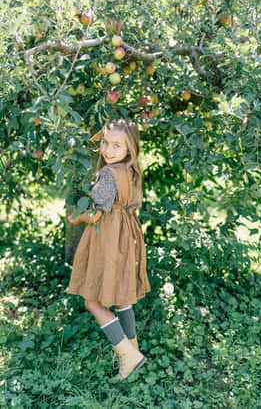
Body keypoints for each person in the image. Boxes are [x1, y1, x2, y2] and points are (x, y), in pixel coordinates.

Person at [66, 118, 151, 381]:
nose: (108, 150)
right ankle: (133, 352)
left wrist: (77, 218)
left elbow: (95, 215)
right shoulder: (132, 171)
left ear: (130, 148)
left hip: (108, 239)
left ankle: (127, 355)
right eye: (105, 143)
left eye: (116, 145)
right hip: (127, 238)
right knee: (122, 297)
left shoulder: (107, 174)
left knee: (92, 299)